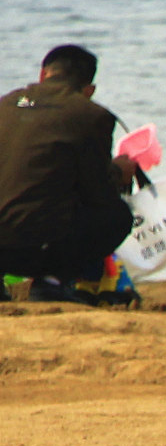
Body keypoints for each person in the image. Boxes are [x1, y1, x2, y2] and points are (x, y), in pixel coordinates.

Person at [0, 44, 142, 301]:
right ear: (89, 90)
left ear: (43, 74)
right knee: (117, 216)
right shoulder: (91, 115)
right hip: (32, 248)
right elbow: (99, 193)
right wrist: (119, 172)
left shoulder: (5, 105)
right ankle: (51, 280)